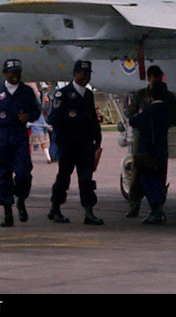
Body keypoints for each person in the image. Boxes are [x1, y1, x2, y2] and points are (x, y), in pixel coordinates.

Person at [0, 59, 41, 227]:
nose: (15, 76)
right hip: (1, 137)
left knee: (24, 174)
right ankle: (7, 212)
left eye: (18, 72)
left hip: (19, 136)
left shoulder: (26, 91)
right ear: (5, 73)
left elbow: (36, 111)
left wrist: (29, 116)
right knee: (3, 177)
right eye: (12, 72)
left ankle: (21, 199)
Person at [47, 61, 104, 226]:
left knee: (86, 179)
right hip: (69, 145)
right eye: (83, 74)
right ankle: (55, 208)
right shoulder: (63, 94)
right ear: (75, 74)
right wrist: (63, 141)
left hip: (85, 145)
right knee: (64, 178)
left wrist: (98, 139)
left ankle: (88, 211)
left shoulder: (88, 95)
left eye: (88, 74)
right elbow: (54, 119)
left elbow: (93, 119)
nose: (86, 78)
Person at [129, 81, 176, 224]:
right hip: (162, 149)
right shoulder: (168, 110)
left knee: (147, 180)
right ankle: (157, 208)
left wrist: (140, 113)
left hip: (148, 150)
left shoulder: (149, 110)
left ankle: (156, 210)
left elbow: (133, 121)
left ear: (151, 95)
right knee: (159, 179)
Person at [124, 65, 166, 218]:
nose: (156, 81)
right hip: (142, 139)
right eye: (154, 78)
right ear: (149, 78)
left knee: (158, 174)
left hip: (158, 142)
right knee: (138, 173)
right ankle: (134, 205)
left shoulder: (165, 95)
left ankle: (157, 207)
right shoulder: (141, 95)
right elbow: (130, 113)